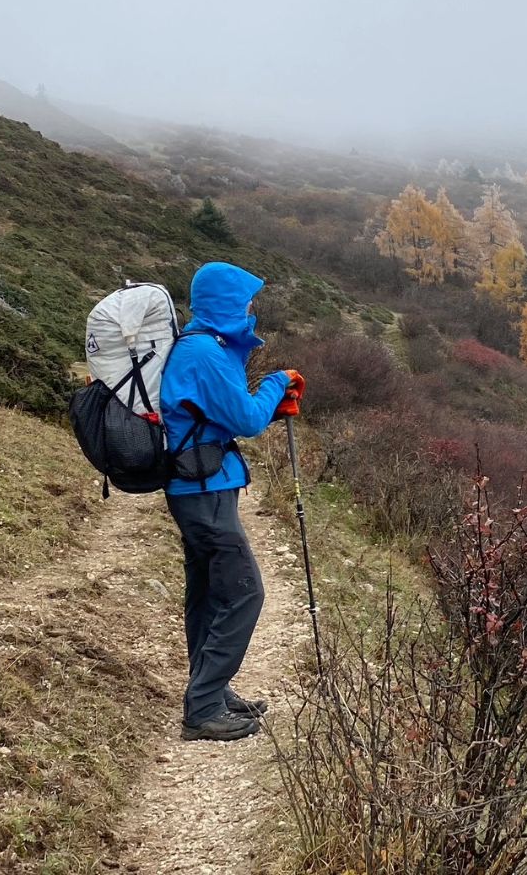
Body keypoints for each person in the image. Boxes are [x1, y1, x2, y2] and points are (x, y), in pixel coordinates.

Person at [159, 261, 303, 742]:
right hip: (202, 493)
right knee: (244, 592)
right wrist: (277, 385)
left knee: (208, 591)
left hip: (198, 488)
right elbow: (246, 418)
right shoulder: (203, 353)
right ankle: (201, 709)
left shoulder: (204, 348)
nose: (250, 312)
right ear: (223, 304)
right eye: (243, 303)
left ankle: (212, 692)